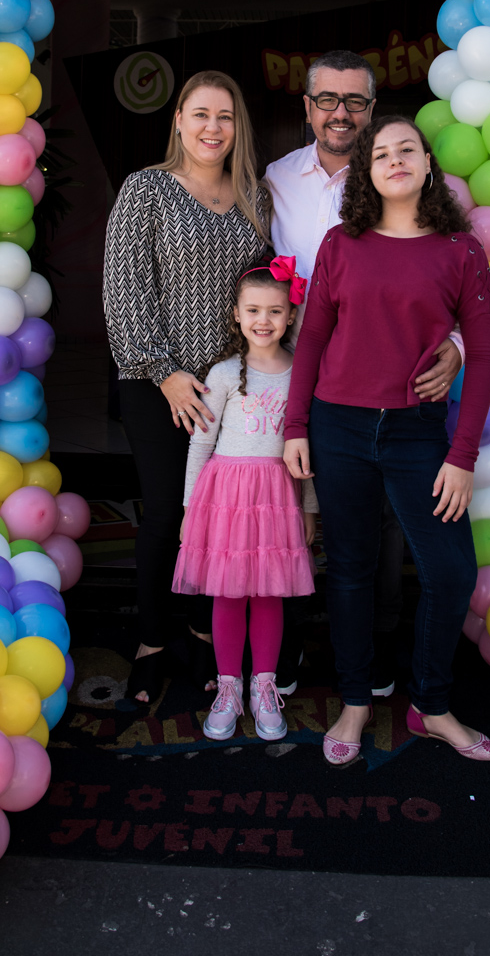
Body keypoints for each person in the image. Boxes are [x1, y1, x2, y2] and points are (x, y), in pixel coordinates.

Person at [284, 115, 490, 768]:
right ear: (367, 172)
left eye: (406, 149)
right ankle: (355, 699)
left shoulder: (459, 250)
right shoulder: (339, 244)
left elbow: (483, 356)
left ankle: (430, 706)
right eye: (380, 153)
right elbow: (313, 339)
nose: (394, 159)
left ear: (427, 164)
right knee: (348, 569)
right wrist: (295, 426)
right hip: (338, 427)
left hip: (415, 434)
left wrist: (460, 457)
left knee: (449, 570)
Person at [264, 50, 464, 695]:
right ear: (307, 108)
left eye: (354, 102)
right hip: (294, 357)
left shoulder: (404, 179)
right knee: (291, 506)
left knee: (381, 522)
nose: (340, 113)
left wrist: (456, 342)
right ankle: (288, 646)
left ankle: (375, 651)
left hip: (389, 369)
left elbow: (442, 278)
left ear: (373, 112)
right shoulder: (273, 179)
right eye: (327, 100)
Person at [103, 70, 270, 705]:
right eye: (200, 114)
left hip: (233, 388)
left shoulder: (257, 197)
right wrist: (167, 373)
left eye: (224, 117)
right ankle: (150, 640)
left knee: (217, 516)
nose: (212, 128)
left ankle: (203, 633)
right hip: (157, 383)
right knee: (166, 512)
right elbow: (122, 288)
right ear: (178, 120)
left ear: (237, 126)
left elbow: (267, 293)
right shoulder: (146, 189)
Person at [172, 257, 317, 742]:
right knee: (229, 592)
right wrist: (192, 509)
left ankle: (264, 685)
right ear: (236, 313)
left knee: (269, 593)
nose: (263, 321)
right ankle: (229, 687)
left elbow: (306, 447)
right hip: (227, 500)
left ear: (290, 315)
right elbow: (200, 443)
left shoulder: (302, 372)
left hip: (277, 496)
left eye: (275, 311)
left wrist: (311, 505)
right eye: (253, 309)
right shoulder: (224, 372)